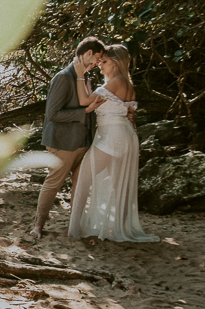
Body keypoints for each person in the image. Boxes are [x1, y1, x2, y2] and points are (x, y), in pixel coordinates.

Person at [67, 44, 159, 242]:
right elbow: (131, 115)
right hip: (125, 135)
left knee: (82, 175)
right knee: (119, 184)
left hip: (113, 137)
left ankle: (74, 229)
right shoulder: (127, 83)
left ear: (116, 63)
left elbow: (84, 100)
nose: (100, 65)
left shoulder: (116, 82)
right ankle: (120, 227)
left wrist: (79, 74)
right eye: (100, 62)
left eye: (104, 62)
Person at [28, 37, 105, 240]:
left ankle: (72, 228)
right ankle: (38, 225)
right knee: (53, 184)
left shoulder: (87, 77)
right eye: (97, 58)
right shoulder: (63, 77)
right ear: (88, 53)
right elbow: (52, 114)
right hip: (63, 142)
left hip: (84, 142)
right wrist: (84, 112)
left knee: (79, 186)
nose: (97, 63)